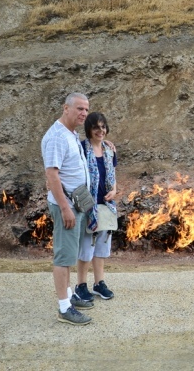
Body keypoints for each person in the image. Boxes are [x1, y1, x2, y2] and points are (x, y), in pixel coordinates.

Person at [41, 92, 94, 326]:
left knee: (70, 253)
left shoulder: (71, 134)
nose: (83, 113)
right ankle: (64, 307)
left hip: (77, 204)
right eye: (79, 108)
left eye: (86, 109)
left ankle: (69, 295)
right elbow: (51, 174)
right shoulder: (56, 137)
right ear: (66, 108)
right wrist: (65, 208)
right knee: (63, 257)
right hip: (68, 206)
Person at [73, 112, 117, 303]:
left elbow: (113, 174)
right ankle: (80, 285)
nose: (101, 131)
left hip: (106, 204)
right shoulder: (81, 148)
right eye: (96, 127)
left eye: (103, 126)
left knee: (101, 246)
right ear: (89, 130)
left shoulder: (109, 150)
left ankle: (99, 283)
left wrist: (114, 190)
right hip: (88, 206)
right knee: (85, 247)